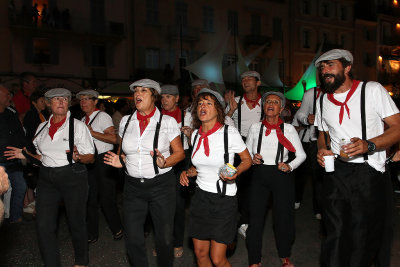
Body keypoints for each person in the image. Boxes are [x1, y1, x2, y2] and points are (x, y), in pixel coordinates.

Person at [314, 49, 400, 267]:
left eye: (330, 65)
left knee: (362, 234)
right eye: (322, 67)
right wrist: (323, 149)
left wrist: (369, 144)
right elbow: (322, 133)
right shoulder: (322, 99)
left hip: (368, 172)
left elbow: (397, 127)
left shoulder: (371, 90)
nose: (325, 71)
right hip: (336, 172)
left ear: (347, 67)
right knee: (334, 232)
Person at [5, 88, 95, 267]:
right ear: (48, 104)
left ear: (69, 103)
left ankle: (81, 261)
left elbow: (90, 157)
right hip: (47, 178)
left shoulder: (78, 126)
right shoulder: (42, 128)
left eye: (64, 99)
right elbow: (42, 156)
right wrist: (26, 156)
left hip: (73, 176)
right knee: (44, 225)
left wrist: (79, 157)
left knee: (76, 222)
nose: (61, 102)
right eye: (56, 99)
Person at [104, 79, 185, 267]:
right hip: (133, 187)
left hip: (161, 186)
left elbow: (179, 153)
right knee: (133, 240)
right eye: (135, 91)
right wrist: (119, 161)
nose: (137, 94)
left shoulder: (167, 121)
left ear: (154, 96)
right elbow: (122, 151)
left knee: (164, 240)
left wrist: (165, 162)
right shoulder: (125, 121)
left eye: (143, 91)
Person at [180, 88, 252, 267]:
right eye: (200, 103)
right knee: (200, 253)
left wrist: (236, 171)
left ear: (218, 109)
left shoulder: (229, 133)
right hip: (200, 198)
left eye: (208, 103)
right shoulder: (195, 135)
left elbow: (247, 160)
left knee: (218, 258)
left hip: (223, 199)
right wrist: (187, 172)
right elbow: (198, 166)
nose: (203, 106)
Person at [246, 92, 306, 267]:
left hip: (281, 176)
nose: (271, 104)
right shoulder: (255, 128)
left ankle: (285, 255)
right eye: (267, 102)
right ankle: (254, 260)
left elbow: (301, 155)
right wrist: (252, 158)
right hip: (259, 175)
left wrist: (290, 166)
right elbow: (247, 151)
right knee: (255, 218)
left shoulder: (288, 129)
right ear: (263, 107)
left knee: (283, 218)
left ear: (281, 109)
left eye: (275, 102)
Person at [76, 89, 123, 244]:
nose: (83, 102)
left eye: (86, 99)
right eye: (81, 100)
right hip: (88, 161)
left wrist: (92, 132)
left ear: (95, 101)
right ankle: (92, 233)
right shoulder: (82, 120)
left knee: (106, 198)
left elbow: (114, 139)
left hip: (104, 160)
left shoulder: (102, 116)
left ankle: (117, 228)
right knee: (89, 199)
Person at [225, 70, 263, 237]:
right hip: (239, 146)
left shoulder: (267, 101)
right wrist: (230, 110)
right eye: (243, 80)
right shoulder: (236, 101)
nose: (246, 82)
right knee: (238, 184)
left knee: (258, 186)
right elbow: (222, 125)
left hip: (260, 146)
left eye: (250, 79)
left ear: (258, 83)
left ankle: (250, 219)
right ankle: (241, 220)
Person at [160, 84, 190, 258]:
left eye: (169, 97)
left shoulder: (187, 117)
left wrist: (190, 135)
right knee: (159, 203)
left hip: (180, 162)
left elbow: (197, 143)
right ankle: (162, 242)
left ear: (177, 98)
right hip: (160, 159)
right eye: (162, 97)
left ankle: (177, 242)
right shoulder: (156, 117)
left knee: (178, 204)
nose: (165, 100)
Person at [292, 87, 324, 218]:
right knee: (301, 174)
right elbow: (299, 117)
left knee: (319, 176)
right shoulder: (311, 94)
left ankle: (319, 208)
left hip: (327, 142)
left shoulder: (337, 92)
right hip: (307, 142)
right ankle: (296, 198)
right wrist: (306, 120)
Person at [0, 85, 27, 223]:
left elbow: (20, 133)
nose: (9, 98)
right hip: (0, 161)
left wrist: (24, 149)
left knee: (20, 186)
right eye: (6, 95)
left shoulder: (11, 113)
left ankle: (15, 217)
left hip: (14, 158)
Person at [22, 90, 48, 214]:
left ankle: (32, 204)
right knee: (33, 179)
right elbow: (31, 136)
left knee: (35, 179)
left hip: (38, 150)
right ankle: (30, 205)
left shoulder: (41, 114)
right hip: (33, 151)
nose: (44, 103)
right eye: (41, 101)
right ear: (34, 102)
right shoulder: (31, 115)